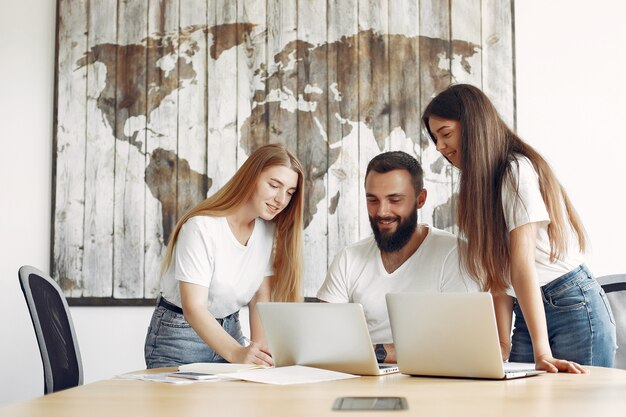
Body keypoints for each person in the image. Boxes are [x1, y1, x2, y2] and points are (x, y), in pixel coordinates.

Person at [422, 83, 616, 373]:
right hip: (528, 308)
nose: (439, 147)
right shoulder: (480, 188)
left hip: (572, 304)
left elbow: (521, 264)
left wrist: (542, 352)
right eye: (435, 138)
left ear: (474, 126)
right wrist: (501, 345)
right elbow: (498, 272)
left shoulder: (516, 170)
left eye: (445, 134)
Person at [144, 143, 304, 368]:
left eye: (289, 192)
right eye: (274, 185)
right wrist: (237, 354)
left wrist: (260, 355)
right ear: (251, 177)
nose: (281, 200)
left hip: (231, 330)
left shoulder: (267, 231)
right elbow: (194, 308)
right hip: (181, 335)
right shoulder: (201, 227)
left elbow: (260, 297)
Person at [317, 151, 479, 364]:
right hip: (362, 381)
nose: (382, 211)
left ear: (420, 199)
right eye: (373, 200)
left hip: (434, 380)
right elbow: (322, 338)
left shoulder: (455, 254)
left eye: (395, 200)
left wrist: (379, 352)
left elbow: (465, 343)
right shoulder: (349, 258)